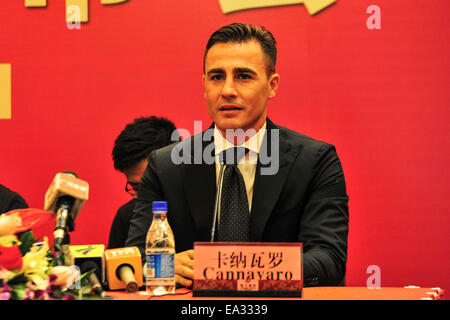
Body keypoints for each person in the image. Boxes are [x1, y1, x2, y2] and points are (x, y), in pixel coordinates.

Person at [126, 23, 349, 287]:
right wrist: (167, 265)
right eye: (217, 77)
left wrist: (238, 270)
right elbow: (136, 255)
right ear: (204, 84)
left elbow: (329, 258)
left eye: (243, 76)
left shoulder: (314, 161)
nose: (228, 90)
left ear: (272, 85)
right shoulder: (167, 165)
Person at [108, 116, 178, 249]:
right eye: (136, 187)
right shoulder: (126, 216)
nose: (144, 196)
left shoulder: (210, 206)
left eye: (150, 185)